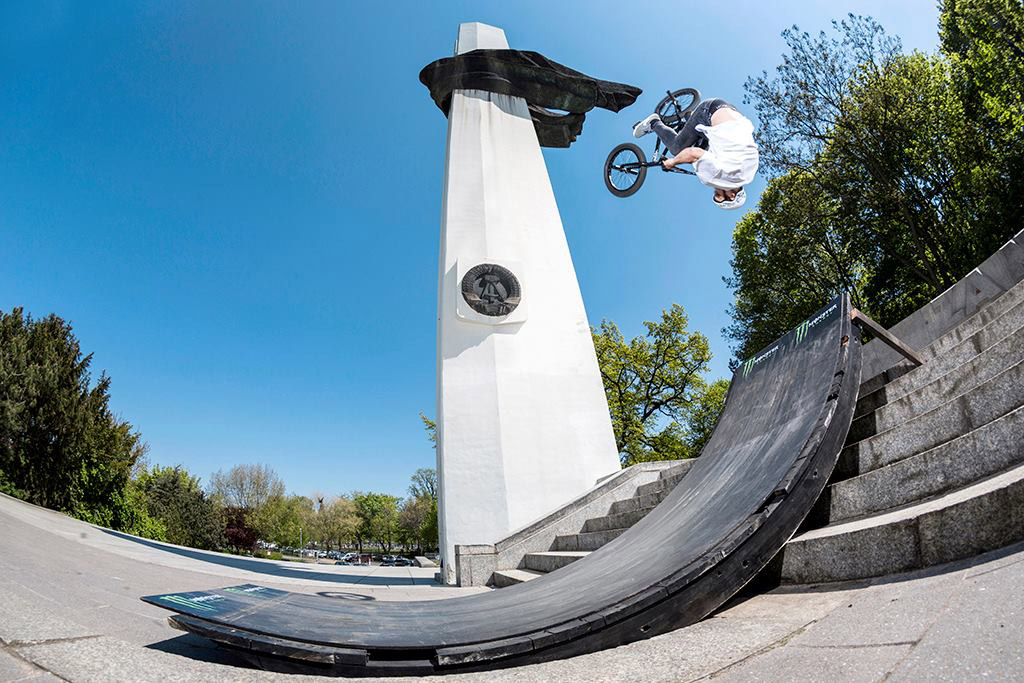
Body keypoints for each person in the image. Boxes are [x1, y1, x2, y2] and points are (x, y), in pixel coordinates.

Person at [632, 98, 759, 209]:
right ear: (732, 195)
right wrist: (672, 162)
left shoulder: (748, 174)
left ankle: (689, 117)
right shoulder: (721, 179)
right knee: (677, 149)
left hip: (730, 111)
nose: (715, 190)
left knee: (709, 146)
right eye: (718, 194)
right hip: (707, 113)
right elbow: (693, 153)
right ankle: (654, 123)